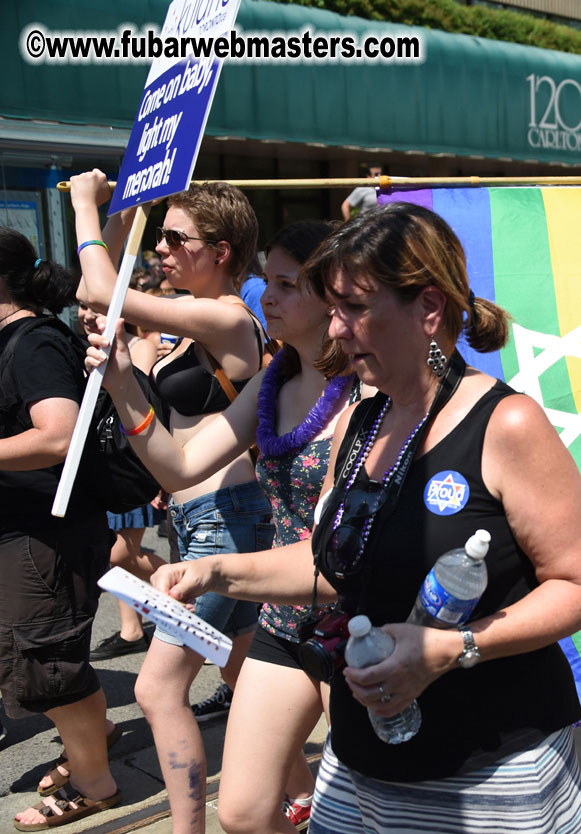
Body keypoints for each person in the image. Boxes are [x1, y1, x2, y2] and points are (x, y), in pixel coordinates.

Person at [150, 201, 581, 834]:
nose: (335, 330)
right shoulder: (364, 420)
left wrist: (452, 647)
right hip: (365, 759)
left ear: (428, 308)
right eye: (333, 308)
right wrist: (214, 572)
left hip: (490, 771)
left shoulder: (507, 424)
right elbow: (333, 563)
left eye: (355, 309)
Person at [86, 220, 349, 834]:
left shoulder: (367, 388)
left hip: (353, 621)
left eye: (286, 285)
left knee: (364, 806)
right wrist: (123, 380)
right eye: (270, 281)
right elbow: (179, 467)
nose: (270, 297)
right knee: (244, 813)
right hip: (285, 614)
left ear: (333, 298)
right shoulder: (273, 380)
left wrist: (85, 218)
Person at [72, 170, 274, 834]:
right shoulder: (180, 319)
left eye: (174, 238)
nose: (160, 250)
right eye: (158, 239)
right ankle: (296, 803)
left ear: (219, 250)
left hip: (229, 523)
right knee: (250, 680)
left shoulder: (227, 318)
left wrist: (83, 202)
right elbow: (99, 290)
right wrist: (124, 217)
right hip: (197, 520)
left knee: (157, 689)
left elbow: (101, 284)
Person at [0, 230, 121, 830]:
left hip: (40, 534)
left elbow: (57, 433)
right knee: (31, 661)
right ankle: (91, 740)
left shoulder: (32, 342)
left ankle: (95, 780)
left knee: (50, 665)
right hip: (20, 531)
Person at [73, 300, 167, 663]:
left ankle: (187, 603)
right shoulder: (83, 351)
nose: (85, 314)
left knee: (118, 553)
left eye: (93, 307)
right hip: (102, 476)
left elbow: (142, 414)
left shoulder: (141, 347)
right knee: (121, 555)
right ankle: (132, 628)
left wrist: (161, 477)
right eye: (81, 307)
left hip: (132, 472)